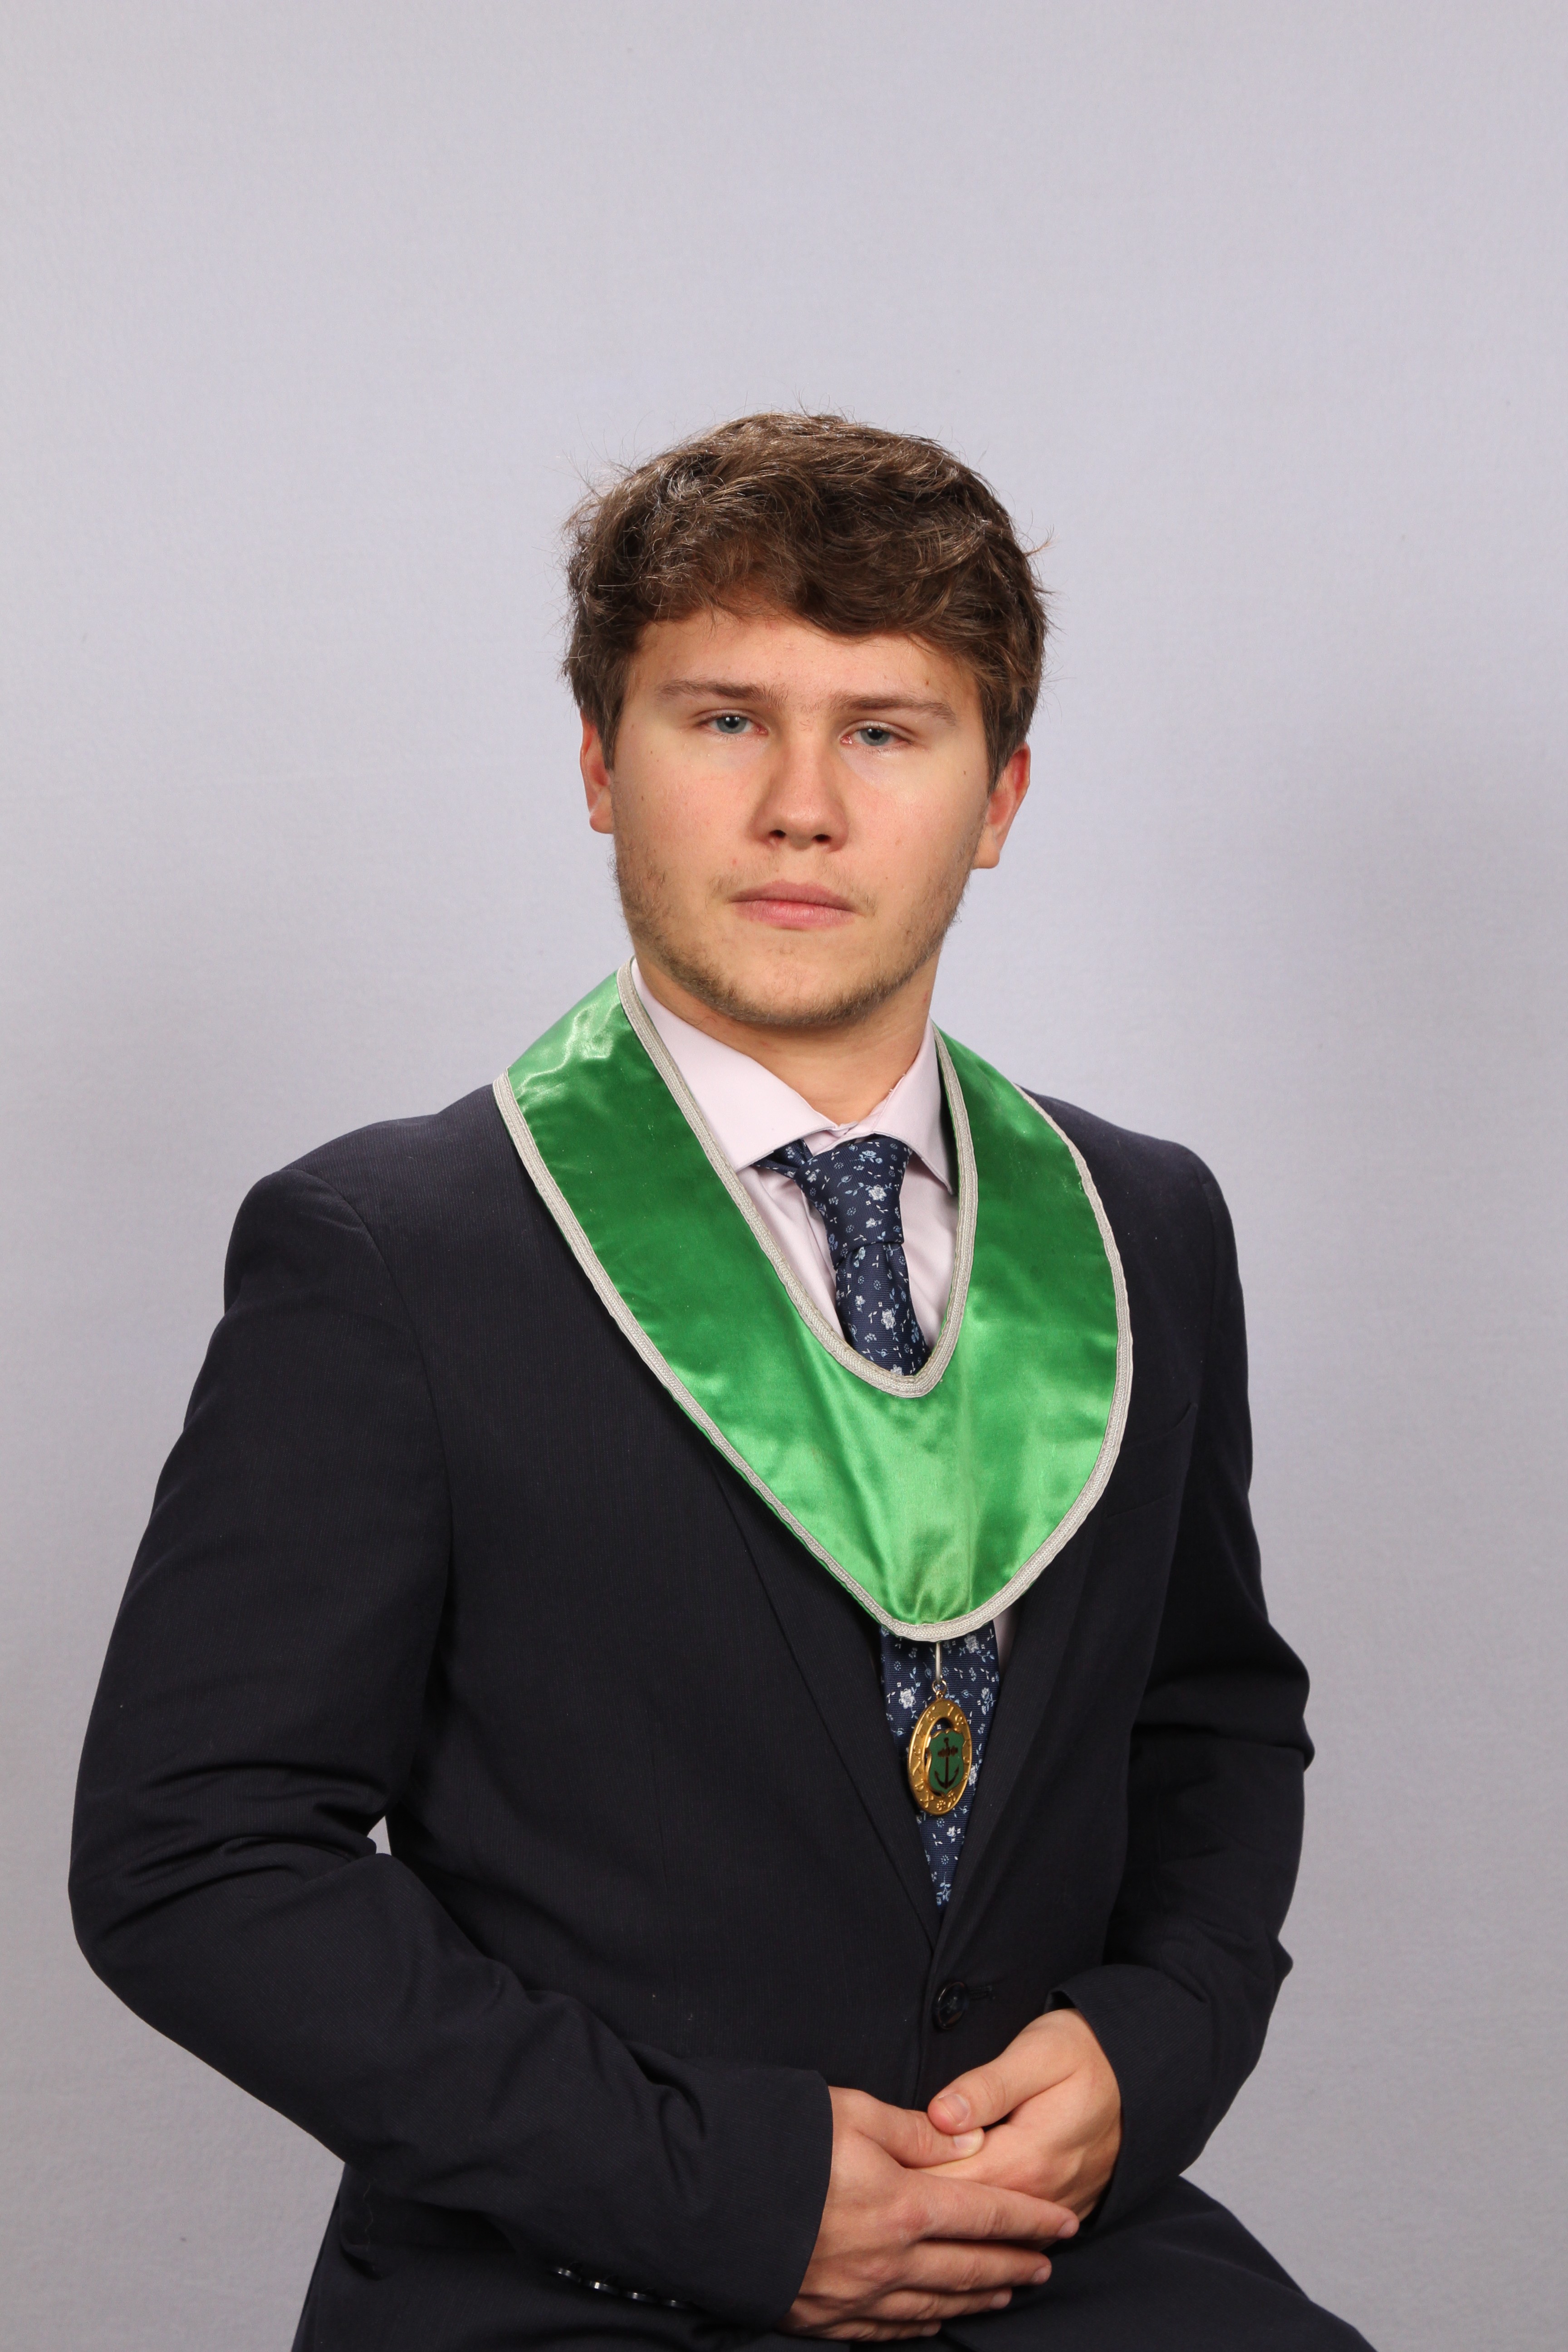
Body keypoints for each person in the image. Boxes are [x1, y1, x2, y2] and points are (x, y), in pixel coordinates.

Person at [70, 413, 1371, 2349]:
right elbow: (195, 1854)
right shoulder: (391, 1254)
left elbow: (1211, 1722)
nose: (802, 808)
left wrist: (1149, 2043)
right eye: (725, 718)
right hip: (578, 2263)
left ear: (1001, 796)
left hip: (1046, 2250)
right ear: (603, 765)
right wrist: (720, 2189)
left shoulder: (1141, 1228)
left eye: (887, 730)